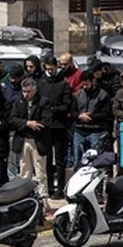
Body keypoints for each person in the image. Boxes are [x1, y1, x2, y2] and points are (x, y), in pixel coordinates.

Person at [38, 56, 74, 198]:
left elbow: (66, 105)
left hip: (59, 125)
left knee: (60, 158)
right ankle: (48, 186)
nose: (50, 72)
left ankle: (60, 187)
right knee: (47, 157)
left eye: (52, 69)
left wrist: (52, 109)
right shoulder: (42, 84)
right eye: (48, 69)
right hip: (46, 126)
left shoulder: (64, 85)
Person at [9, 78, 51, 187]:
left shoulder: (43, 101)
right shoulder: (18, 101)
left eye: (28, 91)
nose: (25, 94)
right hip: (23, 139)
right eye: (24, 91)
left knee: (40, 172)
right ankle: (25, 195)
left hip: (38, 140)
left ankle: (42, 196)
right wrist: (27, 123)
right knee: (24, 171)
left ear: (35, 90)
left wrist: (34, 124)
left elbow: (46, 121)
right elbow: (13, 119)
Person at [73, 72, 111, 166]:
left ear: (92, 81)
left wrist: (91, 117)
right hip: (79, 130)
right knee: (77, 160)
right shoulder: (77, 95)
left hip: (95, 130)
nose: (85, 87)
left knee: (95, 160)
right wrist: (80, 116)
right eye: (83, 84)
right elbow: (72, 112)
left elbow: (106, 113)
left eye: (87, 84)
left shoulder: (102, 95)